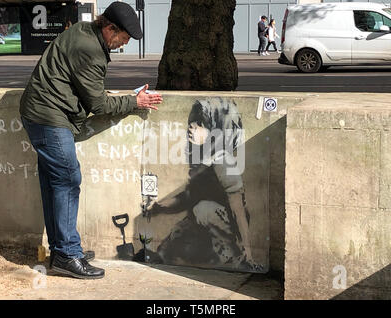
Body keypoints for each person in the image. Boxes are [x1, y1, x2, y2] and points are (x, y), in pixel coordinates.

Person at [20, 1, 163, 280]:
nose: (123, 44)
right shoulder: (90, 49)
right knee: (68, 180)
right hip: (49, 117)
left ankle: (62, 249)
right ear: (110, 28)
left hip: (40, 112)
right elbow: (99, 105)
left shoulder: (84, 31)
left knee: (54, 184)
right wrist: (134, 101)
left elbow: (85, 87)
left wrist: (124, 98)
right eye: (123, 38)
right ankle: (67, 254)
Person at [142, 98, 264, 272]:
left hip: (228, 224)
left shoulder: (223, 160)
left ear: (216, 130)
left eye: (200, 124)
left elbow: (238, 211)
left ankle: (233, 256)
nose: (192, 126)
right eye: (192, 122)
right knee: (177, 235)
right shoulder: (203, 157)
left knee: (202, 209)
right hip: (205, 217)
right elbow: (188, 196)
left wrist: (248, 253)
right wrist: (159, 206)